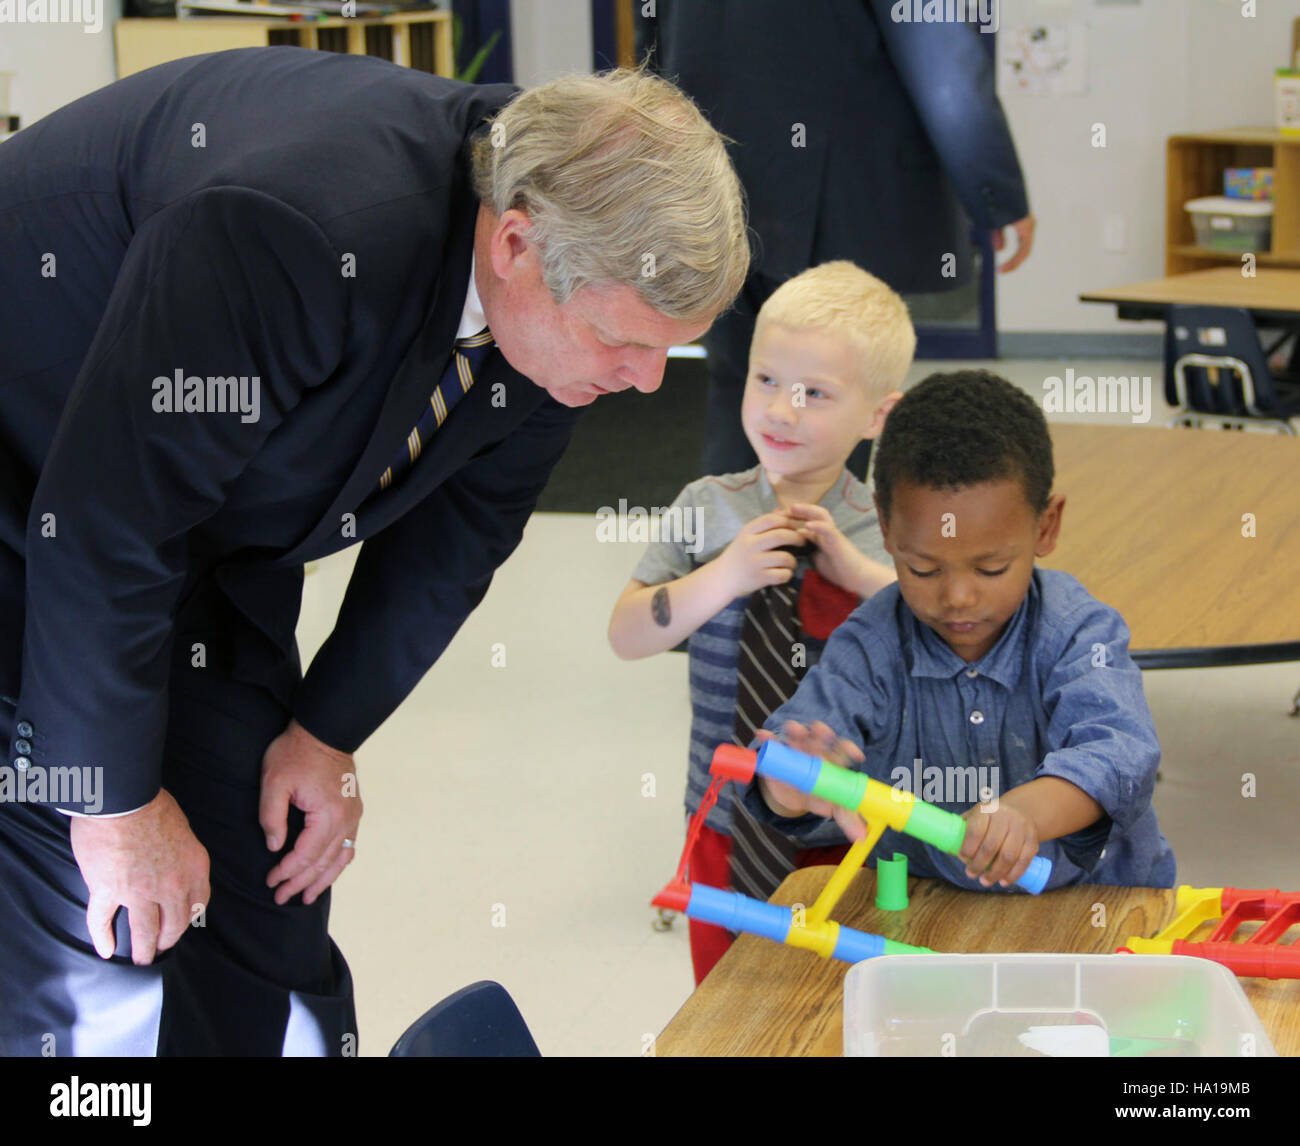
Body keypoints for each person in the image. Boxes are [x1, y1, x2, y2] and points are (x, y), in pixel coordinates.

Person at [0, 51, 748, 1056]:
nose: (650, 382)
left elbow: (461, 533)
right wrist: (115, 806)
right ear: (517, 245)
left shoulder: (559, 266)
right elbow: (103, 526)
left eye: (673, 348)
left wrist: (323, 732)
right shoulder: (299, 228)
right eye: (628, 342)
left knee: (263, 879)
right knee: (103, 928)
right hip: (36, 495)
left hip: (190, 525)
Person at [740, 372, 1176, 893]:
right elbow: (787, 767)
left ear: (1046, 527)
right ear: (885, 525)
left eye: (990, 568)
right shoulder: (867, 647)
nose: (958, 598)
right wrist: (796, 780)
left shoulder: (1079, 630)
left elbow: (1119, 754)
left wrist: (1022, 815)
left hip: (1096, 904)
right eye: (924, 569)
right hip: (928, 911)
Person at [608, 262, 914, 983]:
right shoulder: (707, 505)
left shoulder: (887, 525)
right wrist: (725, 575)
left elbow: (937, 633)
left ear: (877, 416)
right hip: (723, 823)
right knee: (728, 998)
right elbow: (626, 633)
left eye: (814, 393)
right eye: (766, 380)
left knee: (839, 1001)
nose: (781, 410)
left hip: (852, 824)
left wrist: (858, 575)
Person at [640, 0, 1036, 478]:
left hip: (715, 185)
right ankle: (817, 545)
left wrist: (657, 182)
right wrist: (995, 195)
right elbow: (944, 60)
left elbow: (652, 58)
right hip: (842, 200)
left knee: (743, 387)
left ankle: (731, 547)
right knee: (832, 395)